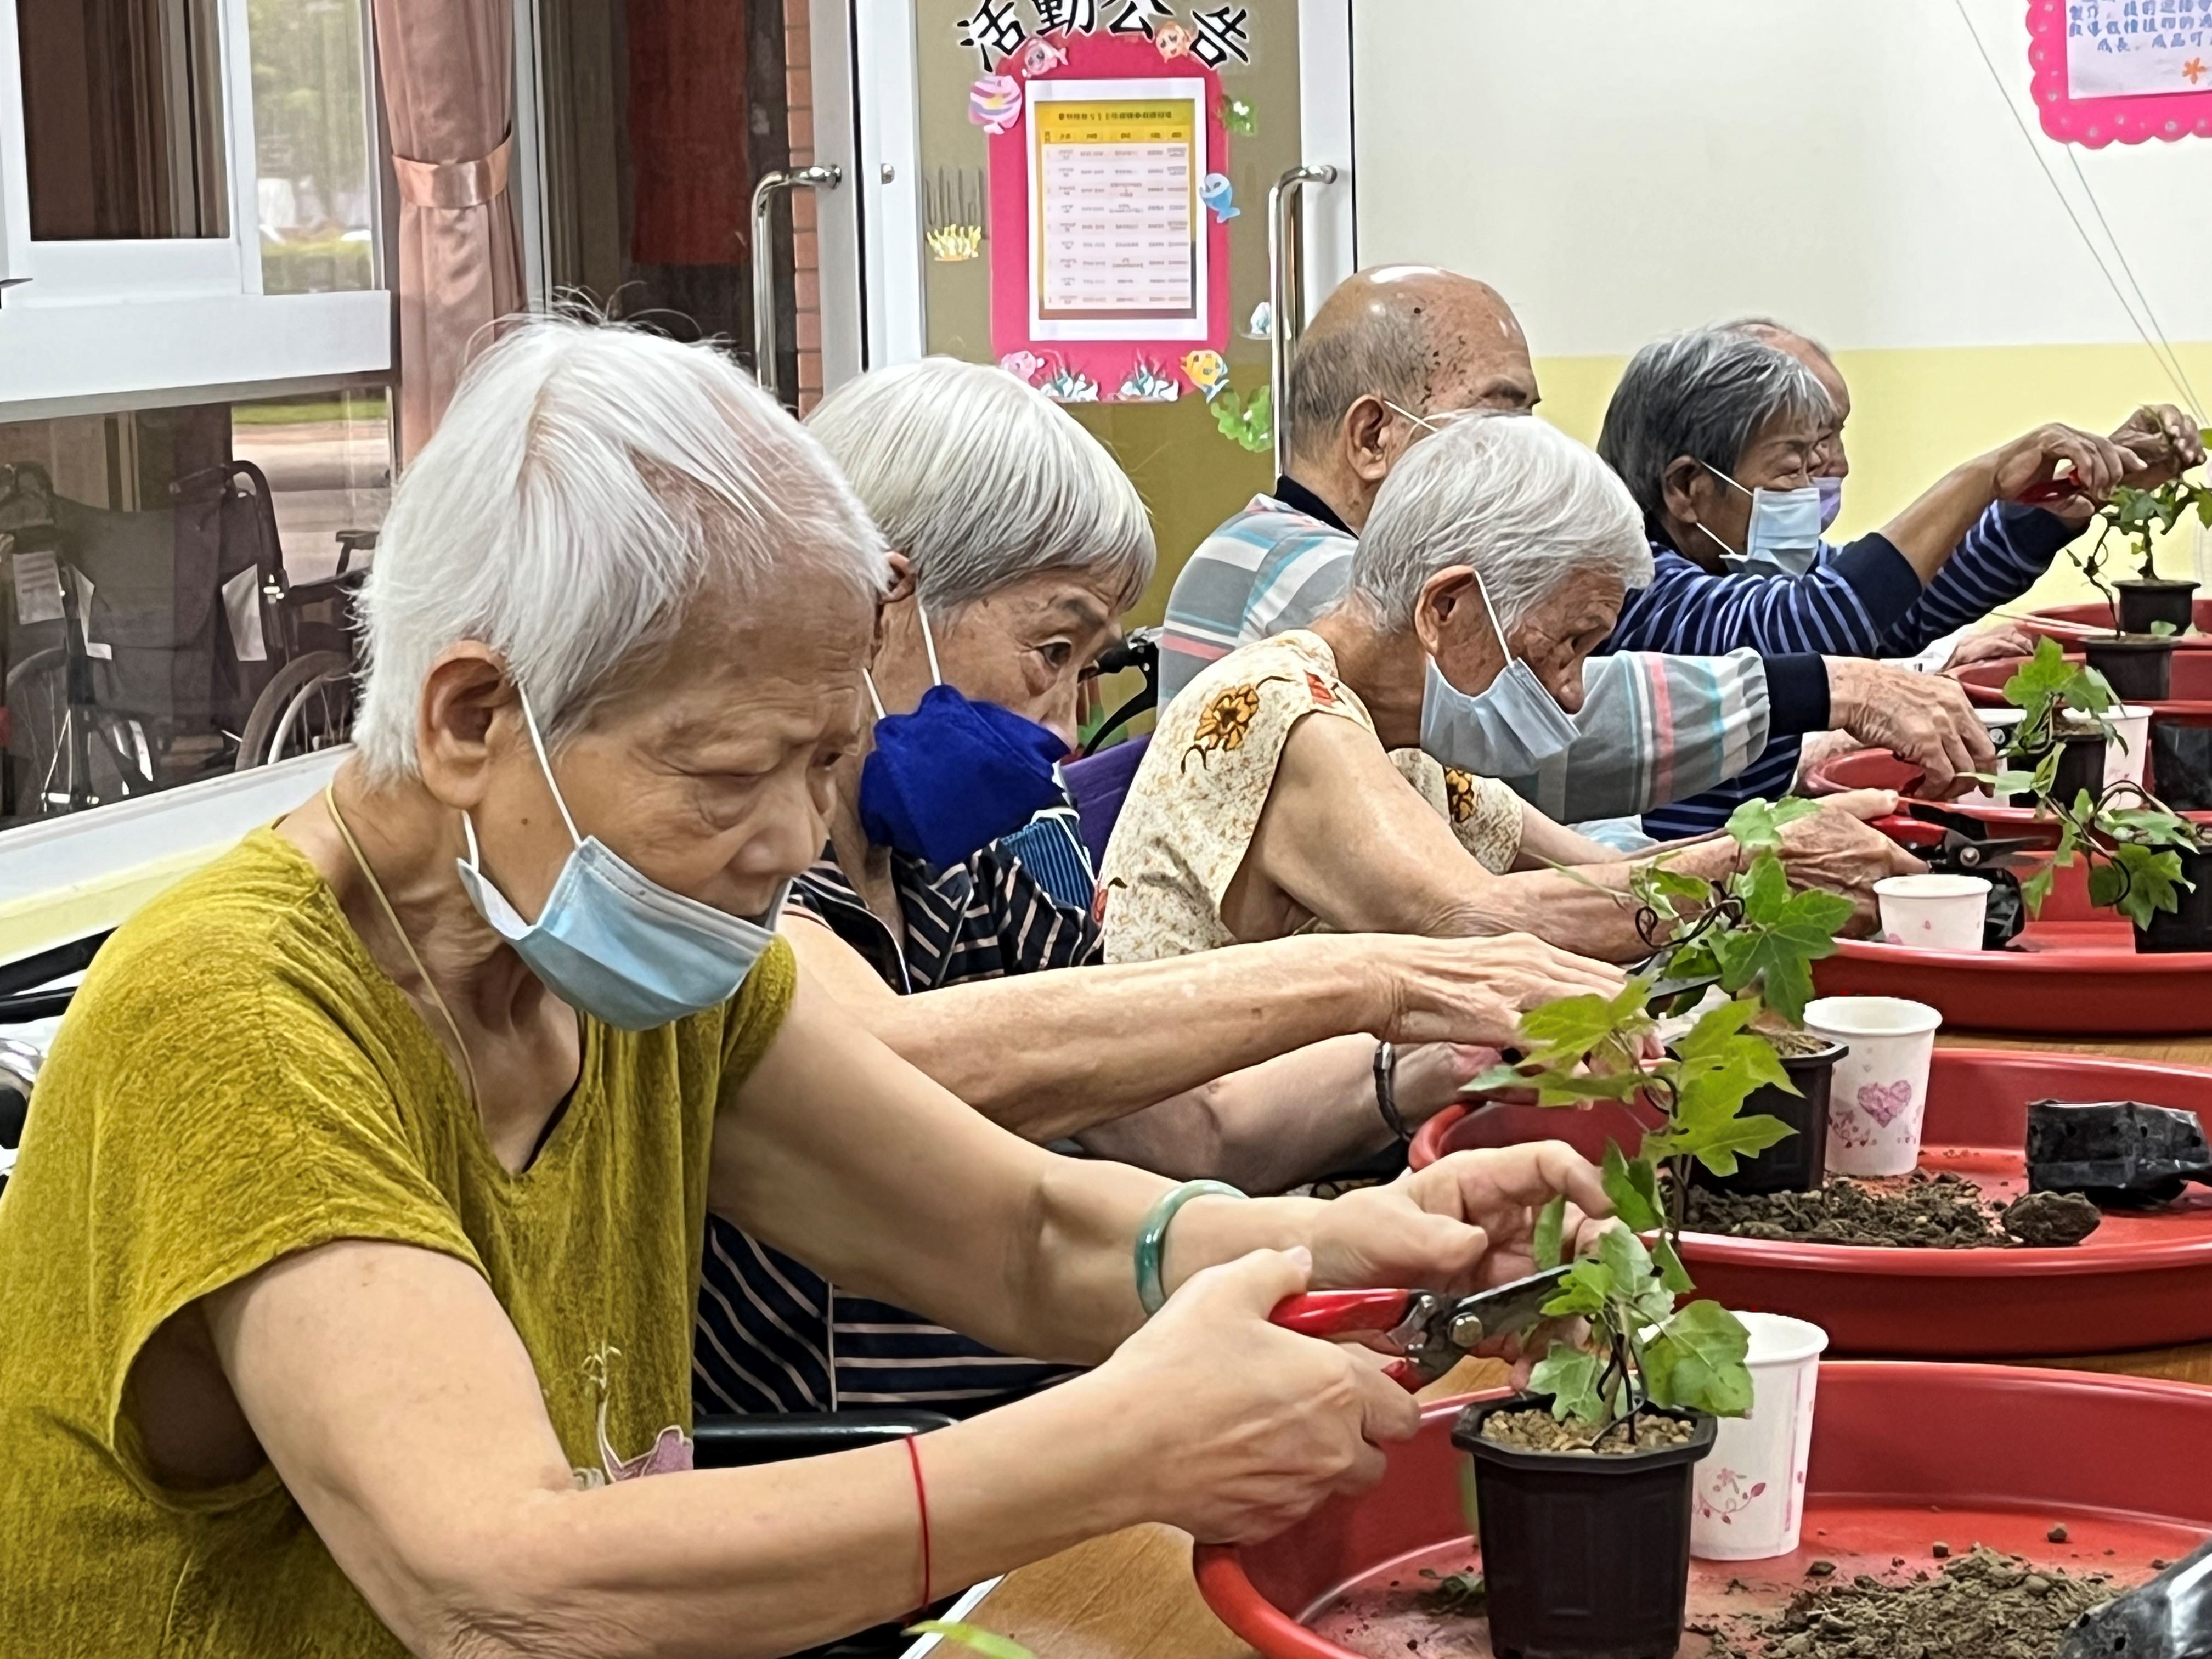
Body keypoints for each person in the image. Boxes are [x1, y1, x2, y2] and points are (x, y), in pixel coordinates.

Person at [0, 317, 1618, 1659]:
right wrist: (1117, 1446)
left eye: (826, 761)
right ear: (475, 718)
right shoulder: (239, 1020)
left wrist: (1357, 1245)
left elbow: (1023, 1233)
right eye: (730, 774)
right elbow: (497, 1587)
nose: (788, 841)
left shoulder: (627, 965)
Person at [695, 356, 1625, 1421]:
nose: (1062, 725)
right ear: (883, 604)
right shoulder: (747, 870)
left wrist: (1434, 1064)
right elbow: (880, 1065)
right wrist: (1379, 979)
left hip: (1035, 1398)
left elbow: (1188, 1134)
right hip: (854, 1446)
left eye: (1087, 665)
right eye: (1051, 648)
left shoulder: (973, 862)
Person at [1158, 267, 1997, 836]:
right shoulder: (1295, 572)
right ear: (1375, 435)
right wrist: (1825, 691)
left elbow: (1506, 819)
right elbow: (1519, 726)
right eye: (1498, 413)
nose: (1526, 446)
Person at [1099, 410, 1922, 967]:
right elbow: (1478, 921)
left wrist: (1783, 844)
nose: (1573, 693)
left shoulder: (1407, 750)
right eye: (1569, 645)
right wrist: (1749, 867)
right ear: (1447, 609)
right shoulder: (1285, 712)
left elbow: (1594, 878)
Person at [1595, 325, 2192, 834]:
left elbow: (1910, 605)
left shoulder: (1739, 569)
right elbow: (1819, 621)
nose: (1813, 486)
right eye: (1791, 468)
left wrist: (2058, 499)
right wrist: (1983, 477)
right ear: (1687, 488)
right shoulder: (1631, 589)